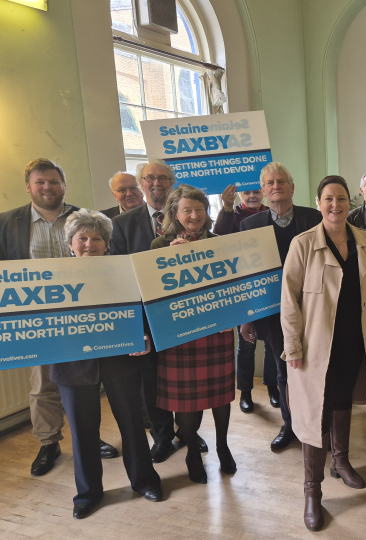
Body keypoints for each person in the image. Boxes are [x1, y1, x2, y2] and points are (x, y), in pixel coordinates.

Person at [0, 158, 117, 477]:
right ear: (28, 187)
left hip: (85, 317)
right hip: (39, 320)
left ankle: (90, 439)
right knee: (43, 385)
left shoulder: (86, 219)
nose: (47, 187)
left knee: (86, 383)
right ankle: (48, 443)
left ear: (64, 185)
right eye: (40, 182)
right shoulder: (7, 222)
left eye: (53, 181)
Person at [280, 175, 366, 531]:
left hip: (353, 340)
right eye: (328, 199)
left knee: (341, 401)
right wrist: (292, 346)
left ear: (348, 201)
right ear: (319, 203)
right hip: (315, 346)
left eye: (340, 199)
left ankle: (341, 461)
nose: (335, 205)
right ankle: (312, 492)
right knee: (313, 414)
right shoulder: (303, 243)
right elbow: (288, 300)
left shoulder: (365, 240)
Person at [51, 209, 162, 519]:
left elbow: (141, 308)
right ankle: (88, 493)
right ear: (70, 243)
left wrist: (144, 335)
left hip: (121, 360)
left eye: (97, 238)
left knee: (132, 425)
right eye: (82, 238)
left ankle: (144, 481)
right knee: (83, 432)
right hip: (72, 365)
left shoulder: (123, 271)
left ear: (107, 243)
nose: (90, 244)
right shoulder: (51, 276)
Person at [110, 160, 206, 463]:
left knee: (186, 376)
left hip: (187, 315)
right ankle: (162, 436)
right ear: (141, 183)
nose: (156, 183)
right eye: (149, 178)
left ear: (172, 182)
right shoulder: (123, 224)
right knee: (152, 382)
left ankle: (188, 431)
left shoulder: (194, 225)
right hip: (146, 318)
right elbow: (121, 277)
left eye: (163, 178)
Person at [150, 184, 237, 484]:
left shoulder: (219, 242)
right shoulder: (159, 247)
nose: (194, 215)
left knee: (221, 397)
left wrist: (233, 317)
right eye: (187, 210)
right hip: (180, 336)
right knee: (187, 402)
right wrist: (171, 264)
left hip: (217, 331)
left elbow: (232, 288)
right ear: (174, 213)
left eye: (199, 209)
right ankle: (190, 452)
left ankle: (223, 446)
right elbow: (154, 295)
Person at [239, 162, 322, 452]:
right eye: (270, 183)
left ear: (292, 187)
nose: (276, 187)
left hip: (315, 309)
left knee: (314, 369)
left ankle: (316, 424)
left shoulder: (315, 218)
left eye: (281, 181)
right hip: (274, 313)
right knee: (284, 370)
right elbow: (247, 275)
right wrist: (246, 319)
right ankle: (290, 425)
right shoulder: (249, 226)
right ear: (263, 190)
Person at [211, 183, 276, 414]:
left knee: (271, 342)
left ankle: (272, 387)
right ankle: (246, 393)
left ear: (263, 194)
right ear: (240, 194)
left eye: (256, 192)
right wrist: (226, 207)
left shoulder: (272, 214)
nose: (251, 196)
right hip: (243, 289)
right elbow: (218, 237)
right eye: (247, 192)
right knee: (246, 344)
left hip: (269, 286)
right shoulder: (232, 215)